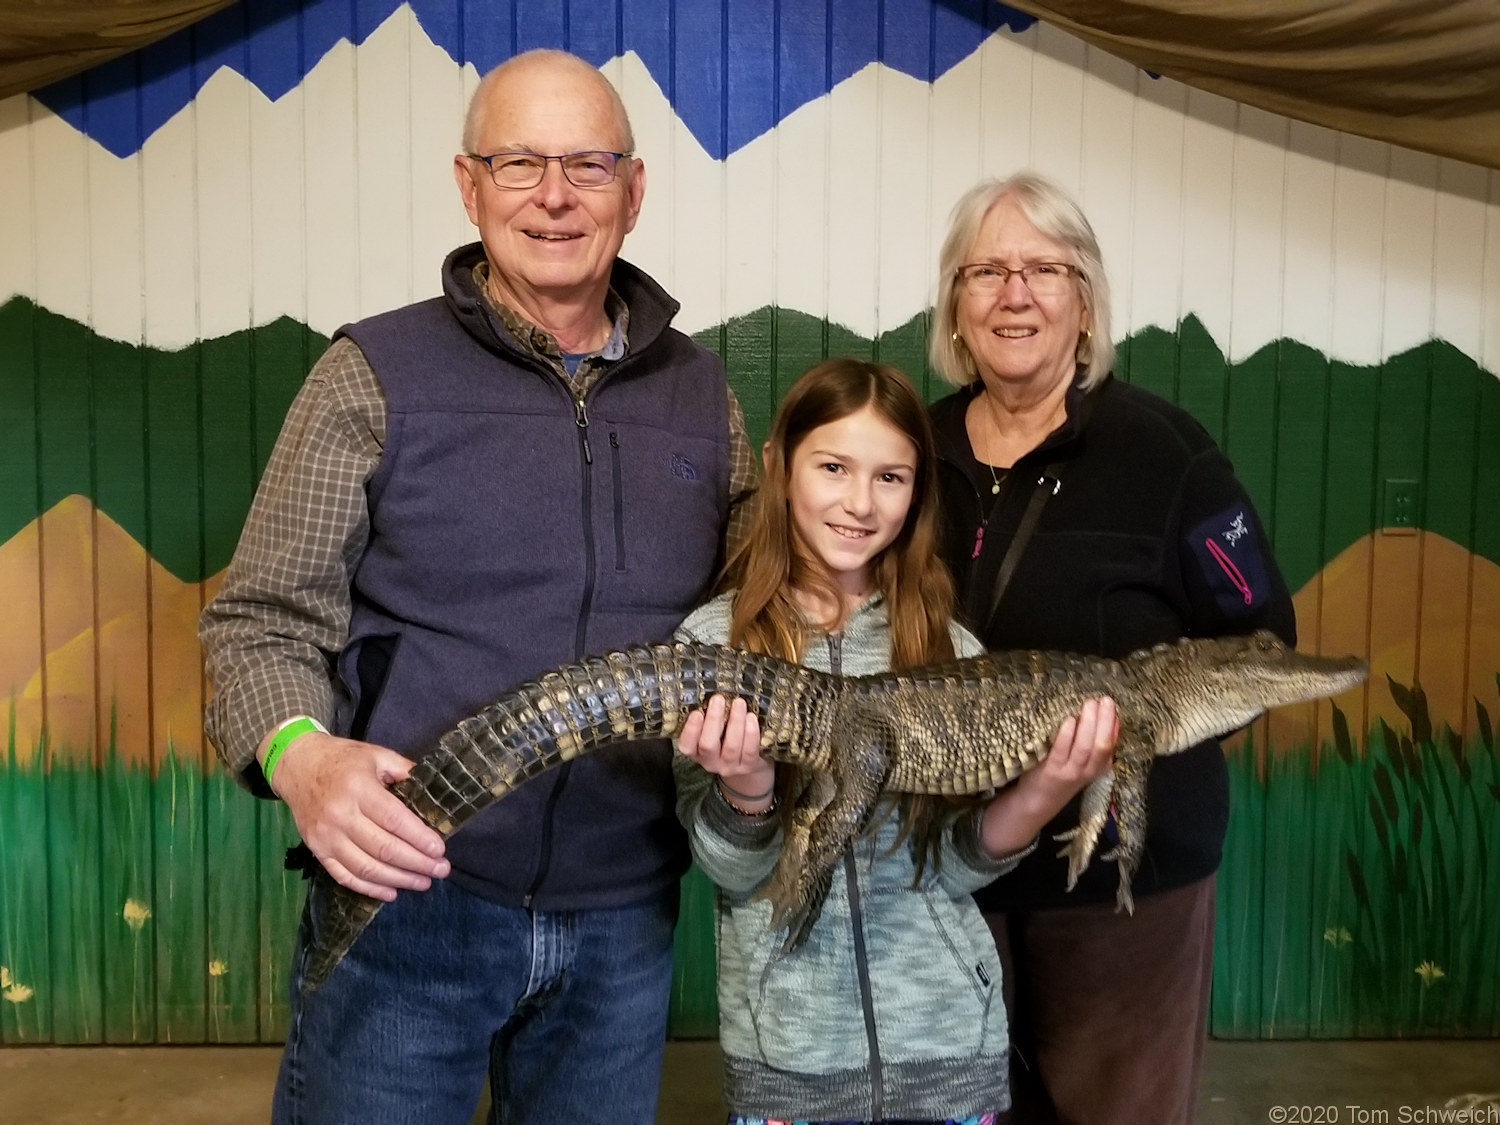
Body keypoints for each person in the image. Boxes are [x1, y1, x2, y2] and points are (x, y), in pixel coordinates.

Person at [199, 49, 758, 1125]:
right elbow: (258, 622)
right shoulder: (371, 373)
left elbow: (759, 618)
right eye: (518, 163)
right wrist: (298, 757)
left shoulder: (701, 395)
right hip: (410, 902)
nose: (554, 196)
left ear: (634, 194)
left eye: (589, 166)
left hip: (624, 918)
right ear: (469, 185)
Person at [927, 171, 1298, 1125]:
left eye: (1045, 269)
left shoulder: (1168, 454)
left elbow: (1261, 641)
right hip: (939, 875)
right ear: (955, 306)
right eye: (987, 270)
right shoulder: (910, 454)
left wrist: (1132, 742)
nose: (1016, 293)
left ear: (1084, 302)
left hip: (1123, 890)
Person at [672, 357, 1118, 1125]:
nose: (859, 501)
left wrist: (1045, 790)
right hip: (791, 1060)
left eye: (891, 477)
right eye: (834, 466)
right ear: (781, 470)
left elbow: (953, 864)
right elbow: (735, 873)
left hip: (949, 1052)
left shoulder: (950, 652)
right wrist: (747, 786)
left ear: (917, 494)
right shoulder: (716, 645)